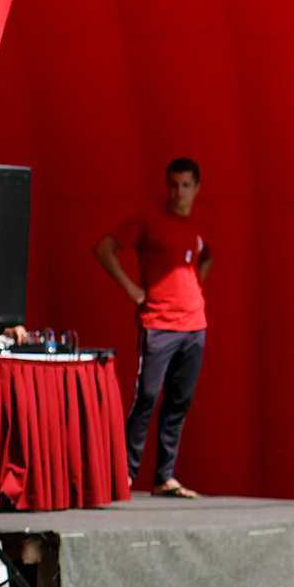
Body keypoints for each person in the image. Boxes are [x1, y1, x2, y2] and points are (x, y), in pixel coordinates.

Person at [94, 157, 212, 497]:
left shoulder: (202, 226)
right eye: (173, 185)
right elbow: (104, 248)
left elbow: (206, 257)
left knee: (179, 401)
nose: (178, 192)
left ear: (196, 188)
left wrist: (192, 293)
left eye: (185, 185)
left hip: (194, 326)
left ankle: (164, 477)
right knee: (146, 397)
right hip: (158, 325)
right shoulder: (149, 219)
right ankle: (125, 475)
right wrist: (133, 290)